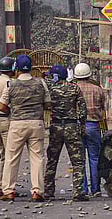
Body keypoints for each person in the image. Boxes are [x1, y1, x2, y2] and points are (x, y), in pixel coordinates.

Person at [0, 54, 51, 202]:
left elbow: (2, 106)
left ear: (17, 69)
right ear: (31, 68)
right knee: (37, 158)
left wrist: (14, 111)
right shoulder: (41, 83)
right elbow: (48, 104)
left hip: (17, 124)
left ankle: (9, 190)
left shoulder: (11, 85)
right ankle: (37, 191)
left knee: (12, 157)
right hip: (36, 123)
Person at [43, 65, 89, 201]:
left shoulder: (50, 89)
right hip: (72, 126)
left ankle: (48, 191)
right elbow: (82, 109)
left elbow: (45, 105)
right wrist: (82, 125)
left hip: (55, 126)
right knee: (77, 161)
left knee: (52, 160)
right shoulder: (74, 88)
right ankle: (78, 192)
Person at [74, 63, 106, 197]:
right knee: (94, 158)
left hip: (77, 125)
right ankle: (96, 189)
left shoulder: (73, 89)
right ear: (89, 75)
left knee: (80, 159)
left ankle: (83, 189)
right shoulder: (97, 89)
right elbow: (103, 108)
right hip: (94, 126)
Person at [0, 57, 15, 195]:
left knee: (2, 155)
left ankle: (1, 184)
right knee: (9, 155)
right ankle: (6, 187)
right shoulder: (10, 83)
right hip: (5, 119)